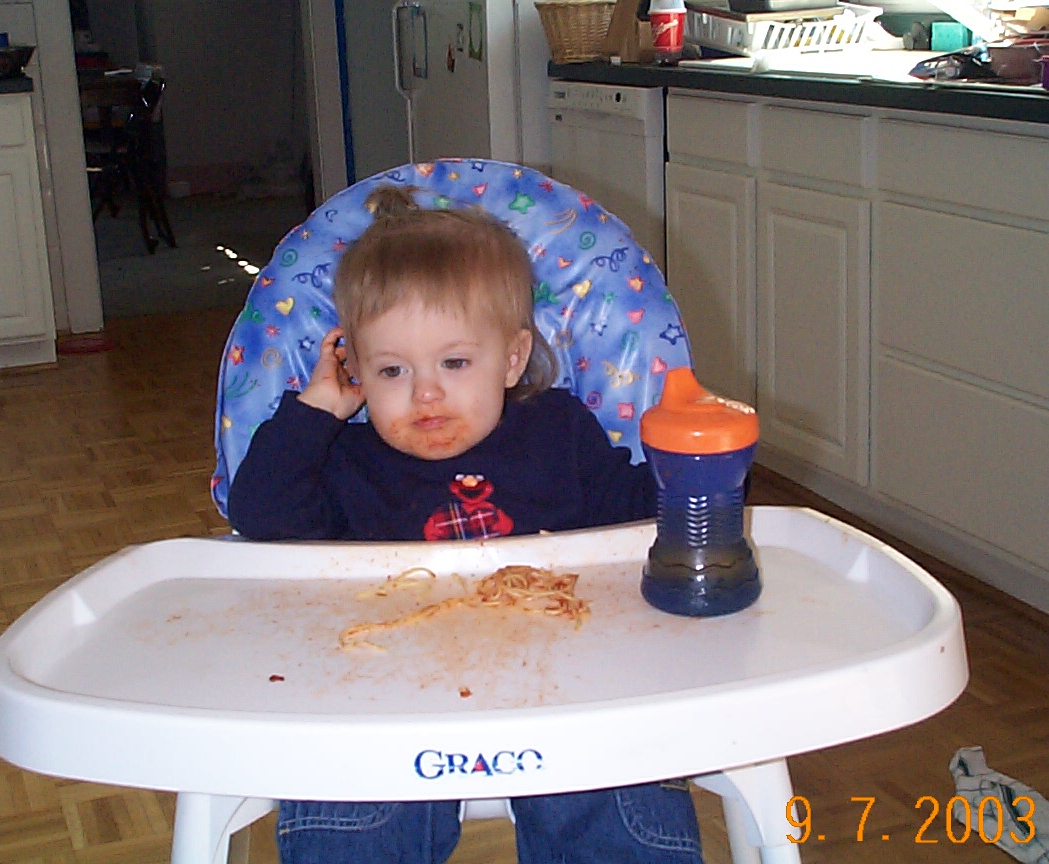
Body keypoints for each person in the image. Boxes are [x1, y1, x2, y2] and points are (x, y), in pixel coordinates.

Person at [227, 186, 705, 864]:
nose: (425, 392)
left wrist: (700, 477)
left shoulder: (557, 433)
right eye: (391, 369)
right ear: (353, 368)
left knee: (617, 781)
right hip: (387, 686)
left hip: (566, 676)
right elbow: (260, 514)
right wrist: (315, 412)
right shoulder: (345, 464)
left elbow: (636, 512)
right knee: (350, 807)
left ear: (512, 358)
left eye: (455, 363)